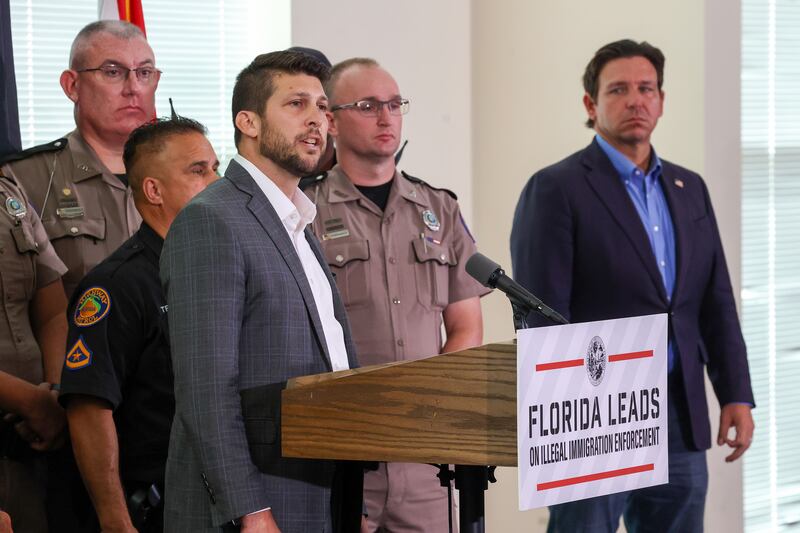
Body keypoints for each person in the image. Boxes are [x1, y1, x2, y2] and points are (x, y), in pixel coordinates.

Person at [510, 39, 755, 532]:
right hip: (597, 416)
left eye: (646, 89)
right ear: (591, 104)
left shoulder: (690, 188)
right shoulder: (556, 188)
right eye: (618, 89)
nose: (635, 100)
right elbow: (543, 317)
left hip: (680, 414)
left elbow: (714, 303)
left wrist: (736, 394)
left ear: (661, 100)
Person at [160, 50, 360, 532]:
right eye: (296, 104)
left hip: (320, 494)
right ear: (247, 122)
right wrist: (249, 510)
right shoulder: (212, 220)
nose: (317, 119)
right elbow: (206, 390)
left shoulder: (297, 221)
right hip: (255, 506)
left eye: (321, 106)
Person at [302, 57, 489, 533]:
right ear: (331, 120)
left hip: (426, 458)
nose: (386, 118)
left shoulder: (439, 209)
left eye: (394, 104)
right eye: (367, 106)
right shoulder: (304, 212)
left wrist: (424, 409)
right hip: (344, 453)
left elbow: (466, 328)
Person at [57, 117, 219, 533]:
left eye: (216, 167)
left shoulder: (213, 270)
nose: (217, 181)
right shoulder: (115, 285)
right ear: (153, 190)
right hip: (153, 507)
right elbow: (90, 407)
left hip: (217, 497)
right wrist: (115, 521)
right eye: (199, 170)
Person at [1, 19, 159, 299]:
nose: (134, 87)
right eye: (113, 72)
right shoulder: (22, 180)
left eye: (144, 73)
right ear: (72, 85)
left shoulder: (188, 175)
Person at [0, 168, 67, 533]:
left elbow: (53, 310)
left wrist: (55, 391)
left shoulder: (8, 188)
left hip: (30, 448)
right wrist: (32, 402)